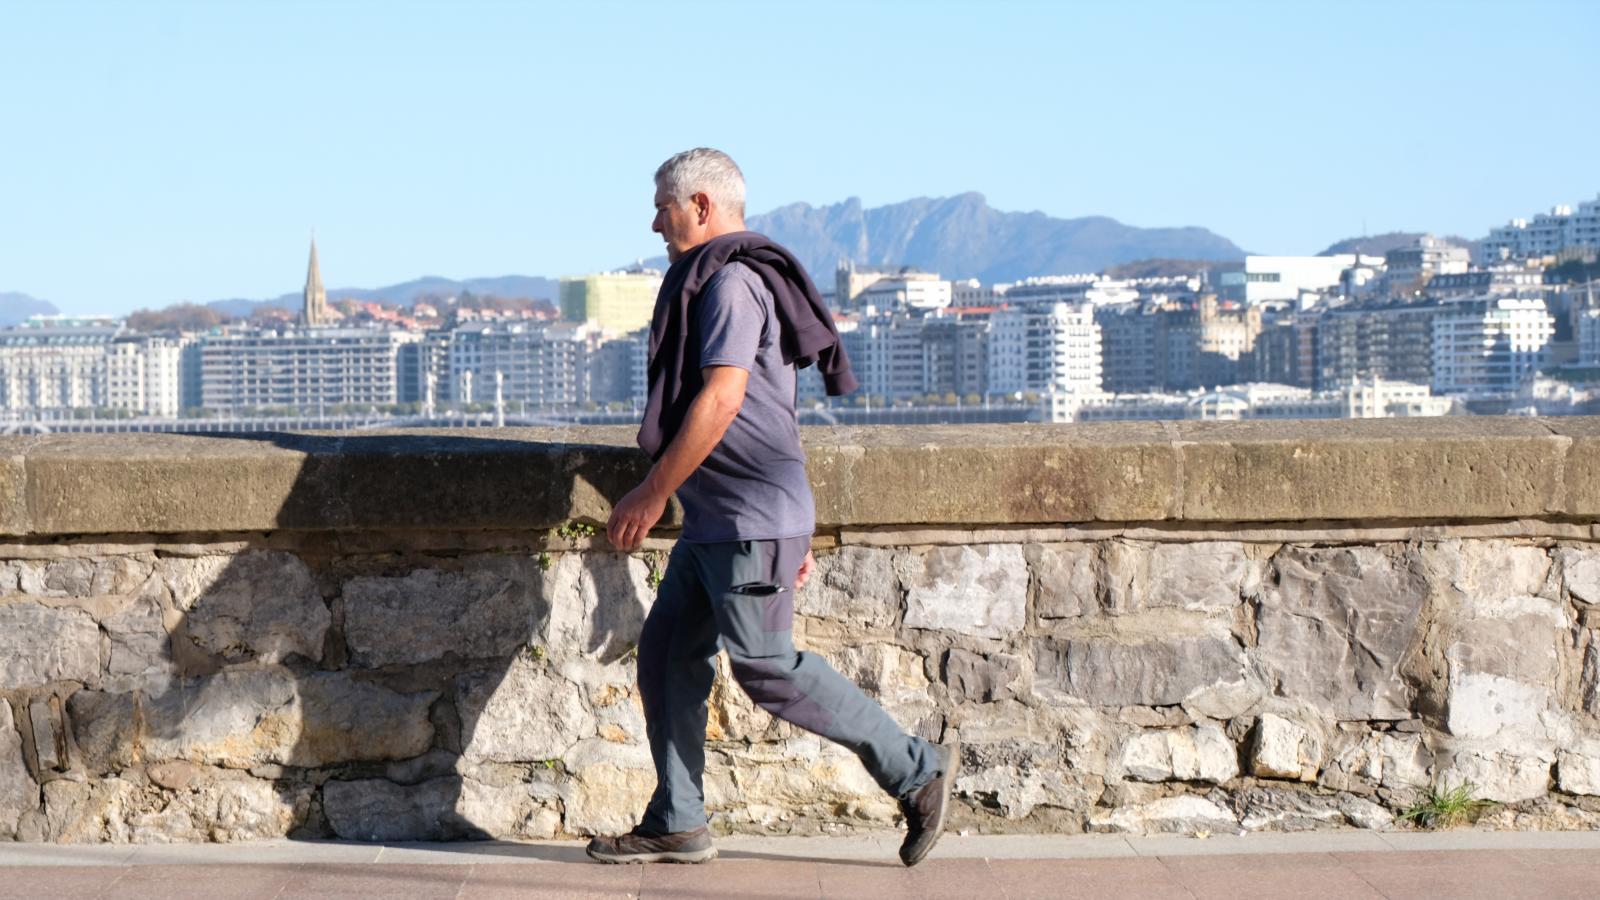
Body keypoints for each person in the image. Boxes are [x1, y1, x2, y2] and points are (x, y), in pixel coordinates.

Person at [586, 148, 957, 867]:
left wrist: (653, 489)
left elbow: (723, 399)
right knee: (665, 657)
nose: (654, 219)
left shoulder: (729, 286)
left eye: (663, 203)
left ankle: (918, 771)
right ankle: (678, 820)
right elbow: (774, 407)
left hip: (746, 517)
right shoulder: (731, 279)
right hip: (723, 518)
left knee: (764, 664)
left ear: (700, 205)